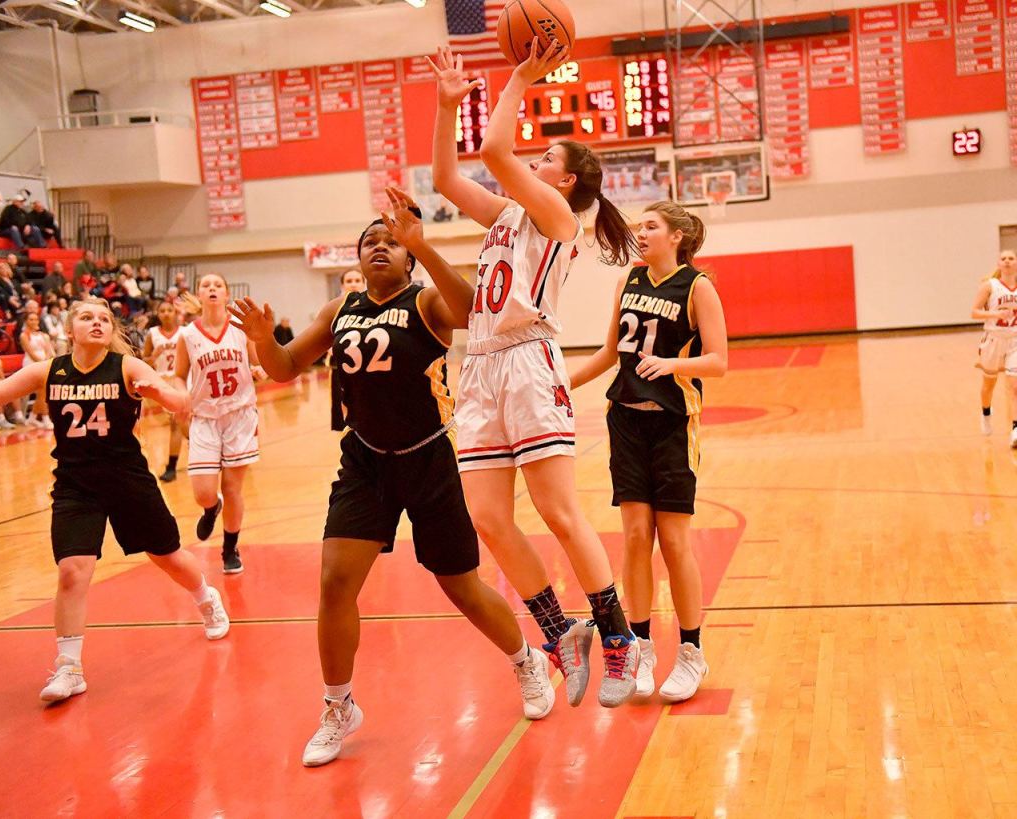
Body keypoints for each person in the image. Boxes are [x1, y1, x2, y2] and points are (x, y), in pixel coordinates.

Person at [229, 190, 555, 768]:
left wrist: (422, 245)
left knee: (461, 588)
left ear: (406, 256)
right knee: (334, 582)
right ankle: (338, 706)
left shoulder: (425, 300)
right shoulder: (340, 309)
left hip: (429, 459)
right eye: (369, 242)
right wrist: (262, 340)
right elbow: (284, 368)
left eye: (390, 241)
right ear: (357, 258)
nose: (379, 247)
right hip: (365, 461)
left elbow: (470, 312)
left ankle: (524, 661)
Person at [428, 44, 643, 707]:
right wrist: (445, 106)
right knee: (489, 518)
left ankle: (619, 638)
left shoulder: (557, 218)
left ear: (567, 181)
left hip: (528, 360)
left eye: (547, 158)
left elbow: (494, 151)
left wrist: (520, 76)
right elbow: (444, 179)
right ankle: (559, 632)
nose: (535, 161)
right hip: (481, 366)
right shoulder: (507, 215)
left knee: (558, 510)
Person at [0, 298, 230, 704]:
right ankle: (69, 667)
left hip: (127, 480)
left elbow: (177, 403)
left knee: (167, 556)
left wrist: (162, 393)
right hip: (75, 483)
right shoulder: (49, 370)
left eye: (104, 318)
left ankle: (206, 598)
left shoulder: (126, 367)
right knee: (72, 571)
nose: (97, 323)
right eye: (87, 317)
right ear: (70, 330)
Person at [570, 202, 728, 702]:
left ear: (676, 236)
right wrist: (560, 385)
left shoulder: (698, 287)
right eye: (639, 227)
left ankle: (691, 651)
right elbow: (608, 352)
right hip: (626, 420)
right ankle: (640, 646)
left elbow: (719, 360)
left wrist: (672, 365)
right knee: (636, 537)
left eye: (651, 227)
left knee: (675, 541)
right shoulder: (629, 281)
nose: (640, 233)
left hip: (673, 423)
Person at [173, 273, 261, 574]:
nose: (212, 289)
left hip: (240, 414)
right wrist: (181, 395)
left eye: (217, 285)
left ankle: (229, 548)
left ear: (226, 294)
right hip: (204, 417)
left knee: (233, 488)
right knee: (203, 492)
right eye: (206, 286)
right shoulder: (187, 335)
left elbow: (257, 362)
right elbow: (178, 375)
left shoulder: (240, 329)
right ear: (199, 295)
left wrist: (260, 370)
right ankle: (212, 507)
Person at [972, 248, 1017, 445]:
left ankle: (1015, 429)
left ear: (1016, 263)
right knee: (988, 386)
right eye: (1003, 258)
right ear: (998, 264)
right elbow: (974, 312)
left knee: (1014, 386)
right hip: (993, 340)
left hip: (1015, 341)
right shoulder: (989, 286)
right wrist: (995, 314)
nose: (1007, 261)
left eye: (1011, 258)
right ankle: (986, 413)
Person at [144, 301, 184, 482]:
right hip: (163, 382)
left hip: (182, 380)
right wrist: (154, 355)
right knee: (182, 424)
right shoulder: (152, 334)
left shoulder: (185, 332)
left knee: (177, 422)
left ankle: (171, 467)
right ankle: (206, 449)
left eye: (170, 310)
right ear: (158, 314)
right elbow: (145, 362)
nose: (166, 313)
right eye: (162, 310)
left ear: (175, 312)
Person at [19, 310, 55, 428]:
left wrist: (46, 363)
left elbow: (49, 351)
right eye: (31, 319)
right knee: (42, 392)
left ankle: (33, 418)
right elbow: (31, 353)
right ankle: (44, 418)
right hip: (31, 365)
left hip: (44, 364)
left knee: (42, 392)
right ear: (26, 321)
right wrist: (42, 364)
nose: (34, 321)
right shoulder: (24, 335)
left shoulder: (44, 335)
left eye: (36, 319)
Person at [0, 354, 26, 430]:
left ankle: (19, 417)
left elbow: (2, 377)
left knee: (12, 389)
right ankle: (1, 419)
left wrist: (5, 385)